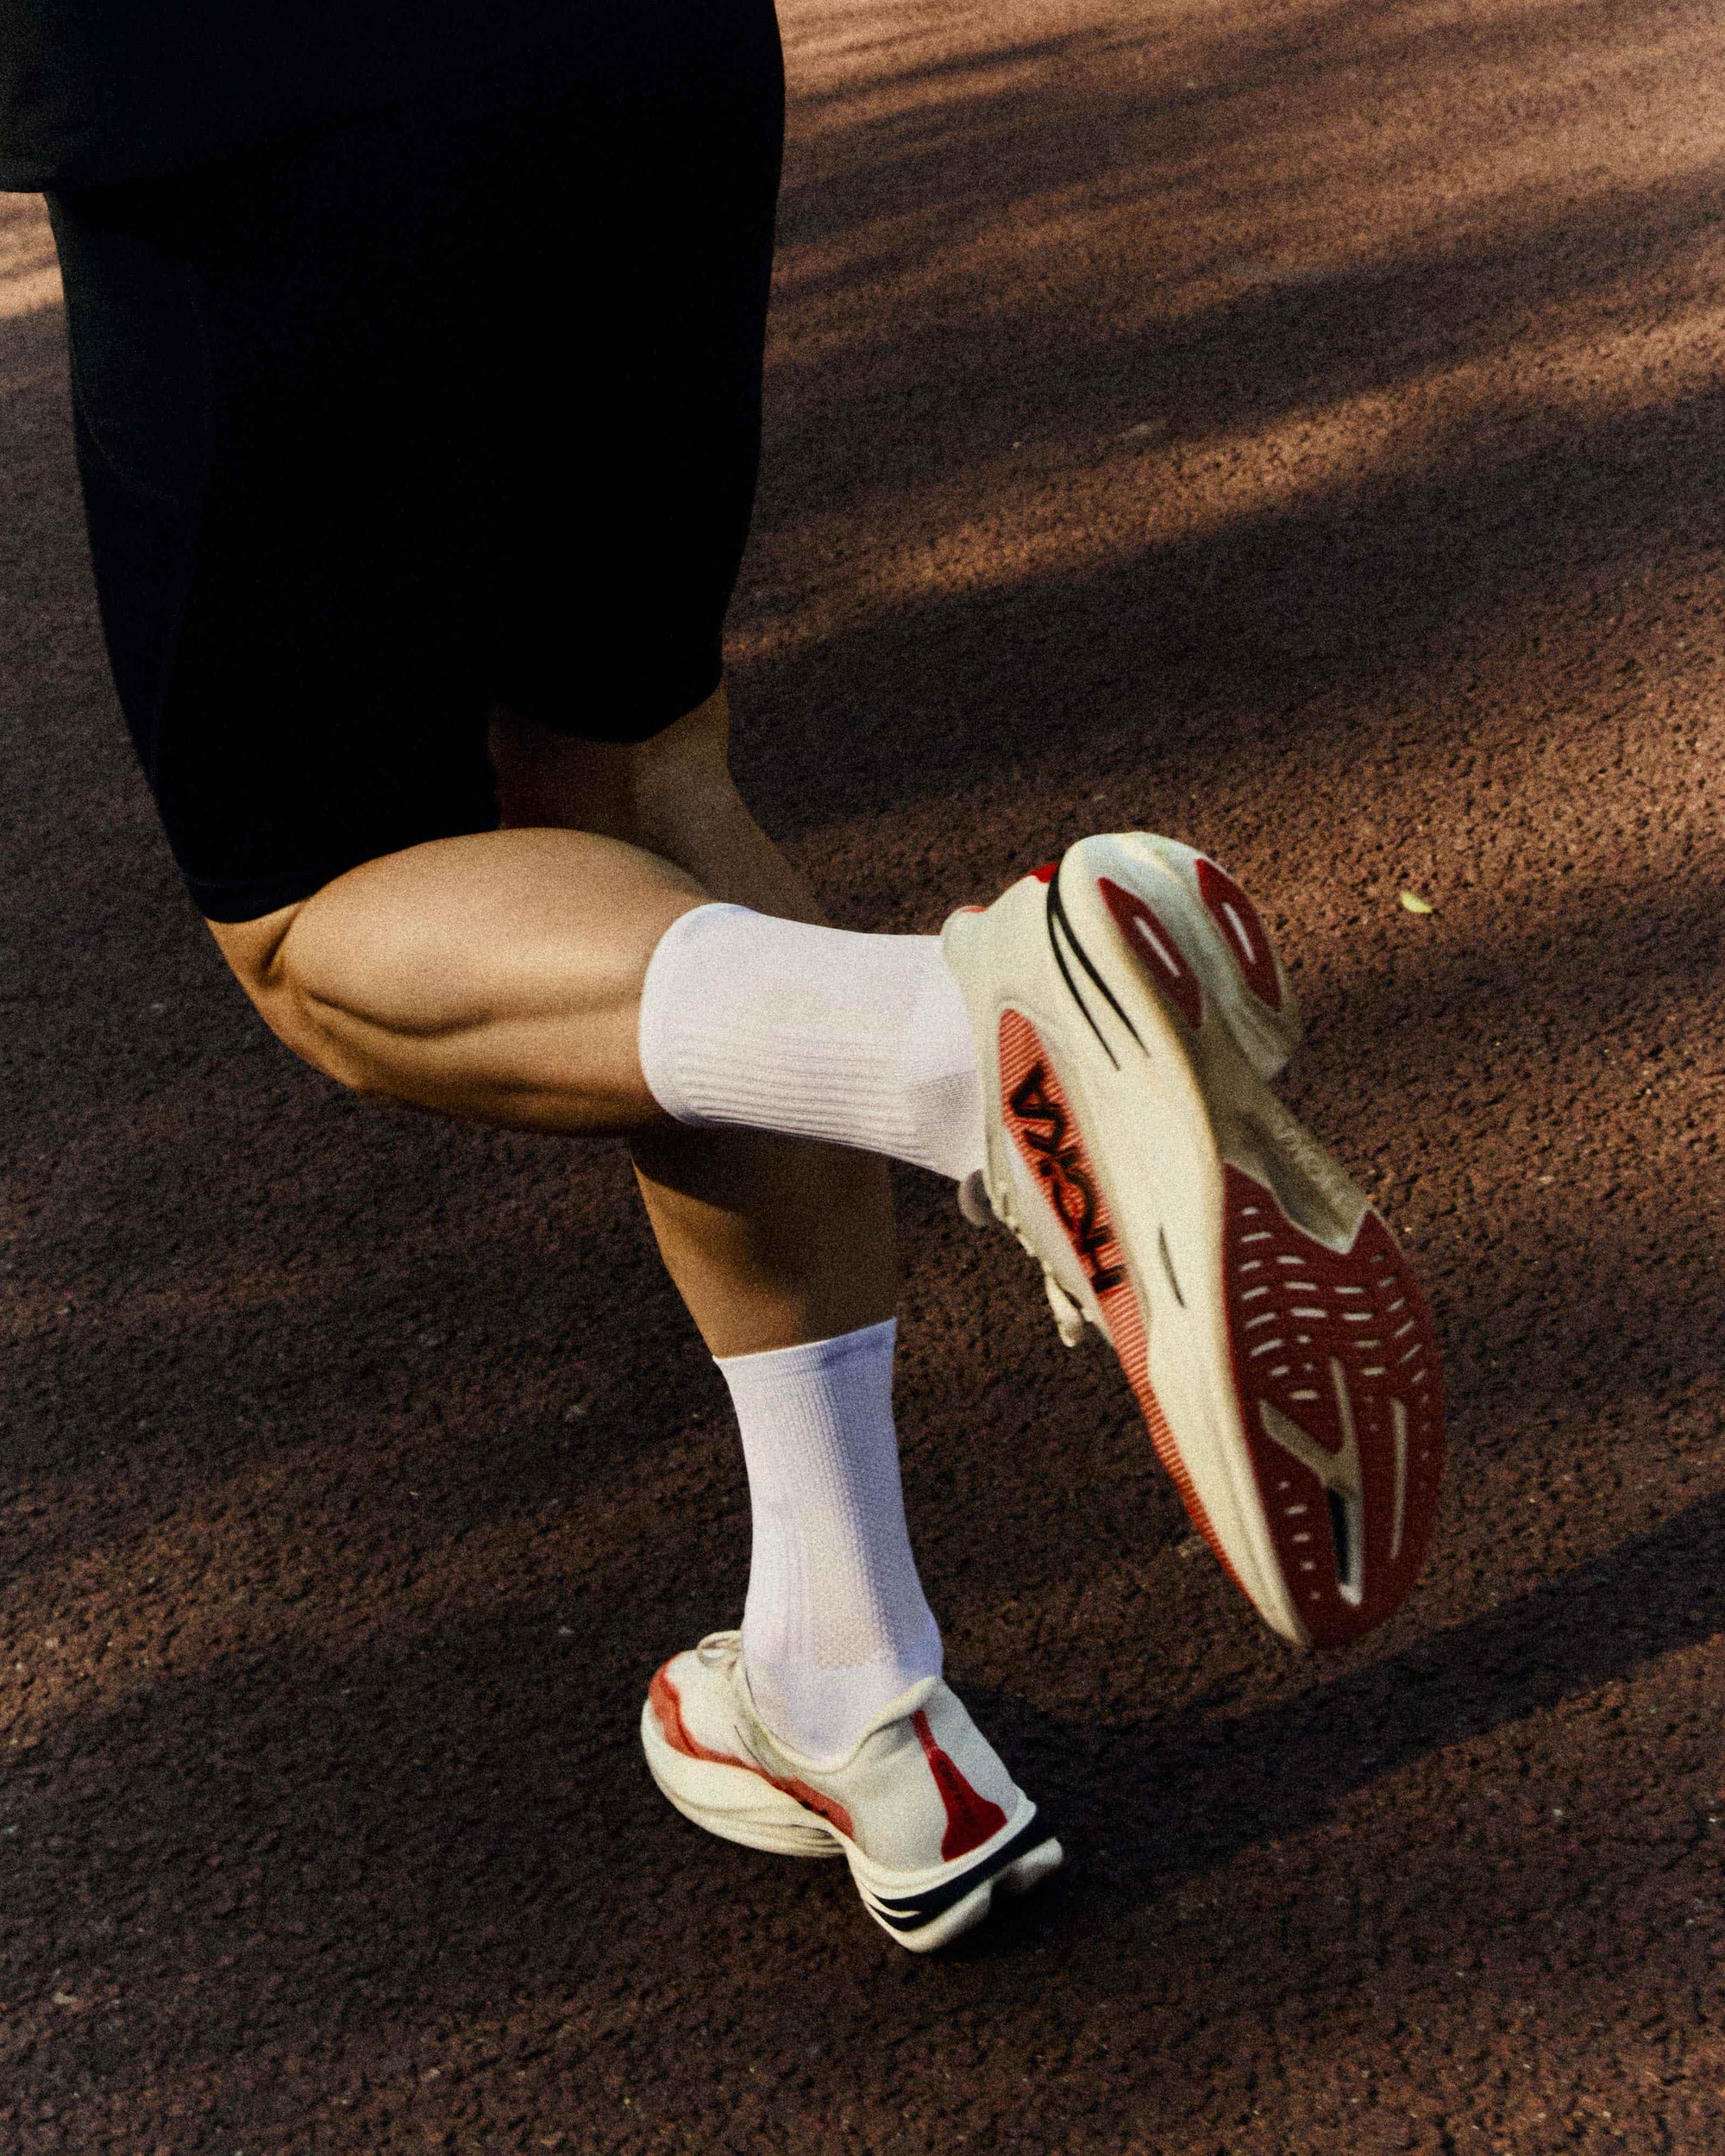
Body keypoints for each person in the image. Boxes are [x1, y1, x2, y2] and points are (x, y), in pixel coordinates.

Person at [2, 0, 1442, 1952]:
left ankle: (966, 1049)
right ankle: (851, 1682)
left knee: (311, 922)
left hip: (242, 99)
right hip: (642, 58)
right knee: (633, 779)